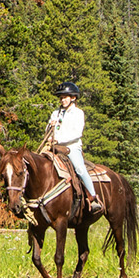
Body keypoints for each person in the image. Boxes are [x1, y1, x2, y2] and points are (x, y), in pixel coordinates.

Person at [42, 82, 101, 214]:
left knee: (80, 168)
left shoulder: (78, 113)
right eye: (61, 97)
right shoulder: (55, 113)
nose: (63, 100)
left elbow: (77, 133)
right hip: (54, 147)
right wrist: (49, 128)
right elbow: (49, 131)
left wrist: (59, 139)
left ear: (73, 98)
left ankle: (93, 197)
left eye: (65, 97)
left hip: (71, 147)